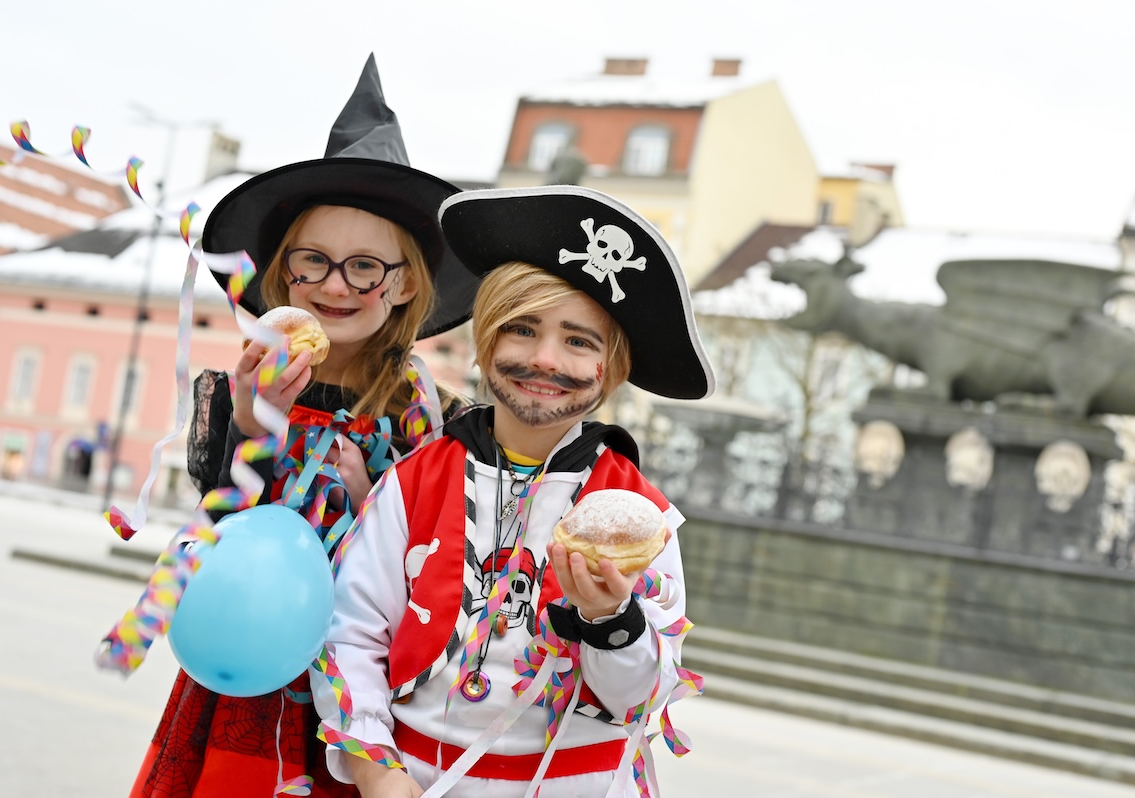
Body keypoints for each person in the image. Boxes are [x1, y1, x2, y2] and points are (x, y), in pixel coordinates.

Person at [129, 52, 479, 798]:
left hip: (360, 687)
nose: (333, 285)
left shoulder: (426, 408)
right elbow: (215, 522)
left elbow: (435, 550)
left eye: (364, 268)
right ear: (282, 273)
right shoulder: (248, 377)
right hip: (249, 680)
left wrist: (369, 504)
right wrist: (261, 425)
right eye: (312, 262)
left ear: (406, 282)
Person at [312, 185, 715, 797]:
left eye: (580, 341)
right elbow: (351, 634)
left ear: (612, 365)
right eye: (521, 330)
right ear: (486, 341)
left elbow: (641, 696)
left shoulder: (639, 517)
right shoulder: (413, 483)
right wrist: (376, 769)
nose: (546, 358)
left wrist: (612, 619)